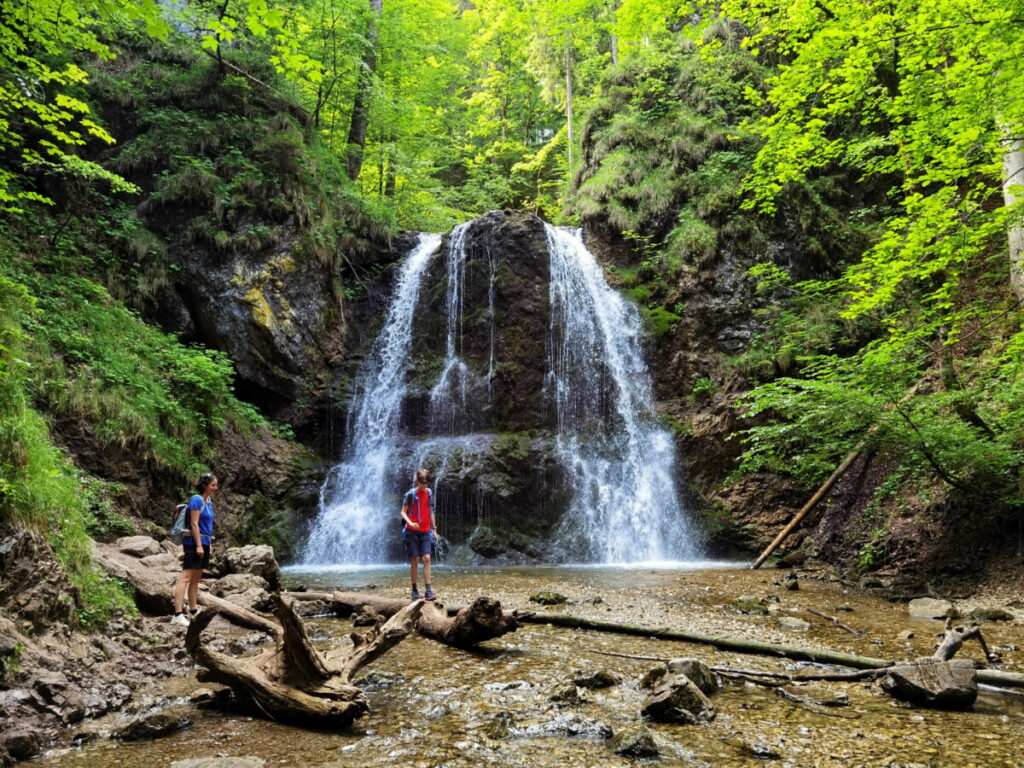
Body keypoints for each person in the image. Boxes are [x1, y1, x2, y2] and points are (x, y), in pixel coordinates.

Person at [172, 472, 218, 627]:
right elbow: (194, 524)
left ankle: (193, 610)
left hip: (204, 541)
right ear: (205, 485)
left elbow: (207, 526)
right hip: (193, 542)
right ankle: (177, 615)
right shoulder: (197, 500)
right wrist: (198, 544)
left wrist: (208, 543)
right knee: (185, 577)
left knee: (196, 578)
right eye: (213, 485)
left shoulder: (208, 502)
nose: (215, 488)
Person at [400, 468, 437, 601]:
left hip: (426, 531)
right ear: (417, 481)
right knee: (415, 559)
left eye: (426, 484)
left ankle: (428, 590)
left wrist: (434, 529)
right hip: (412, 531)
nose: (424, 486)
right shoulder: (410, 494)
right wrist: (410, 522)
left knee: (426, 558)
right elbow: (403, 512)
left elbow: (431, 511)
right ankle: (414, 590)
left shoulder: (429, 493)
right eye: (422, 483)